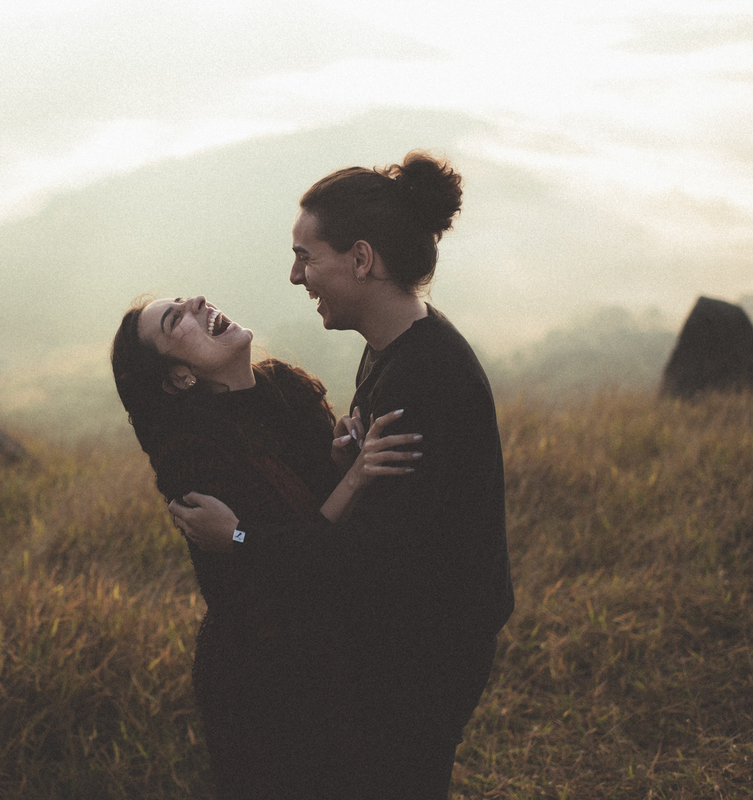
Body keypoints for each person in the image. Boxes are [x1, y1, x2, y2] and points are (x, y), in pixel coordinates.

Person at [170, 151, 515, 798]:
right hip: (414, 637)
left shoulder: (424, 379)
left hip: (429, 650)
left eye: (307, 257)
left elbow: (367, 555)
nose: (296, 276)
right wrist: (348, 471)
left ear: (361, 260)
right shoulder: (394, 352)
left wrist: (238, 539)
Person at [111, 294, 419, 800]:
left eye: (186, 298)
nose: (196, 302)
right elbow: (293, 565)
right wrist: (356, 480)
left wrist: (342, 464)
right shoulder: (191, 456)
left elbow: (321, 521)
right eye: (175, 319)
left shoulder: (286, 388)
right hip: (271, 680)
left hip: (345, 641)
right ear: (178, 377)